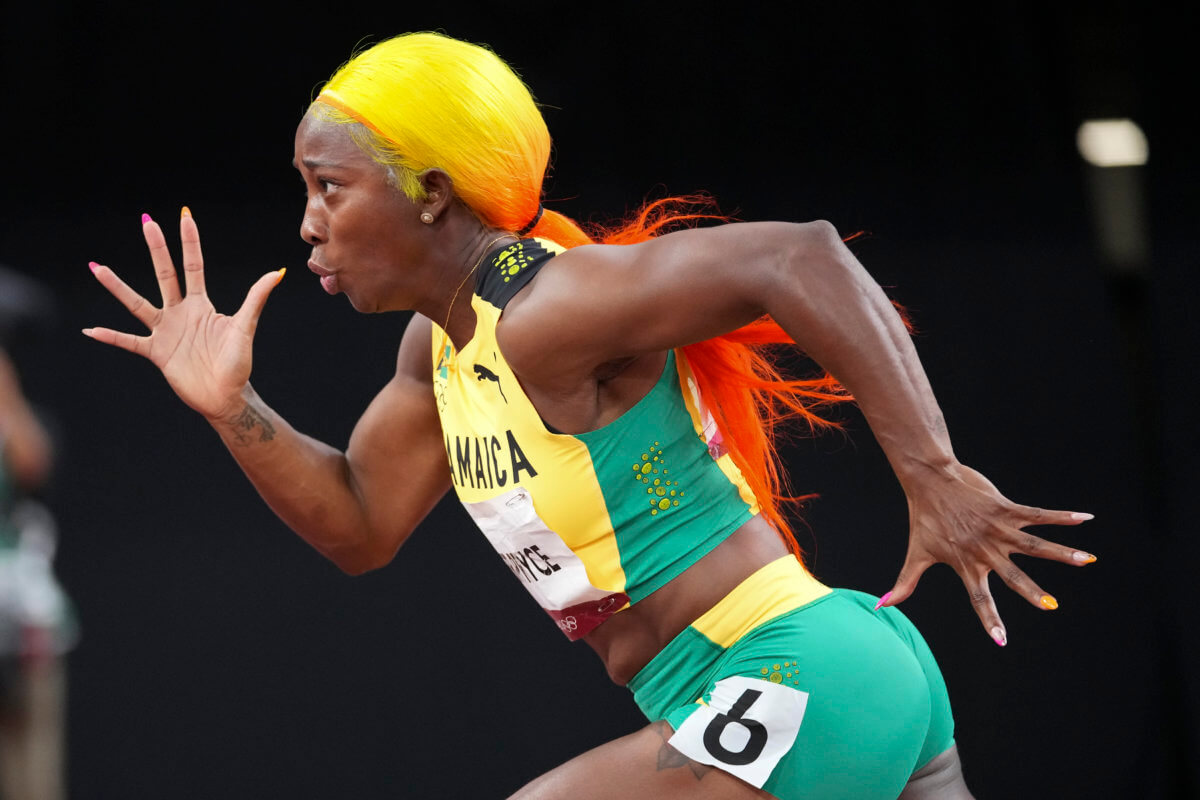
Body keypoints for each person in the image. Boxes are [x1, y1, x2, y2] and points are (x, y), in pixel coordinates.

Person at [83, 32, 1096, 799]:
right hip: (833, 681)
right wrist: (231, 407)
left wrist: (933, 471)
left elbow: (802, 254)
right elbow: (358, 523)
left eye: (330, 186)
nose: (308, 220)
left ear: (432, 193)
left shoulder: (548, 311)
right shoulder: (438, 351)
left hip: (797, 672)